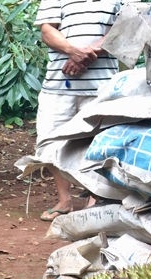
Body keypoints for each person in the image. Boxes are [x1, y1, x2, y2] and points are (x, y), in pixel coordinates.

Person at [34, 0, 122, 222]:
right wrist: (73, 51)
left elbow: (124, 29)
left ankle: (94, 200)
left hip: (102, 88)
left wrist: (83, 56)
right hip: (57, 87)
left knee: (99, 145)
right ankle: (64, 201)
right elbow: (47, 29)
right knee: (52, 142)